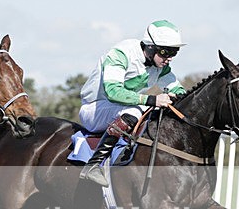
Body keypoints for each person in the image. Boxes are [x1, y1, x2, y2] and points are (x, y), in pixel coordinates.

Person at [78, 20, 188, 186]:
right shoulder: (121, 54)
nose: (169, 58)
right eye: (165, 52)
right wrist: (153, 99)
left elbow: (179, 90)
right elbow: (113, 91)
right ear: (150, 47)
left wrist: (177, 97)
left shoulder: (160, 65)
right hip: (94, 109)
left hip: (119, 110)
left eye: (175, 52)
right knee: (137, 110)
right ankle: (93, 165)